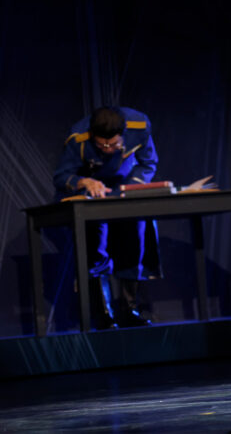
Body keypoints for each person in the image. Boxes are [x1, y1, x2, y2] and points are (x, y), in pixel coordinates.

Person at [53, 106, 161, 329]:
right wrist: (84, 182)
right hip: (93, 192)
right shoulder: (78, 138)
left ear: (123, 134)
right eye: (102, 145)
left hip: (125, 188)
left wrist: (129, 188)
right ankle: (103, 313)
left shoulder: (139, 127)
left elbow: (148, 163)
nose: (108, 149)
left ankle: (129, 309)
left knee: (134, 240)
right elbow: (61, 176)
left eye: (113, 145)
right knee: (96, 245)